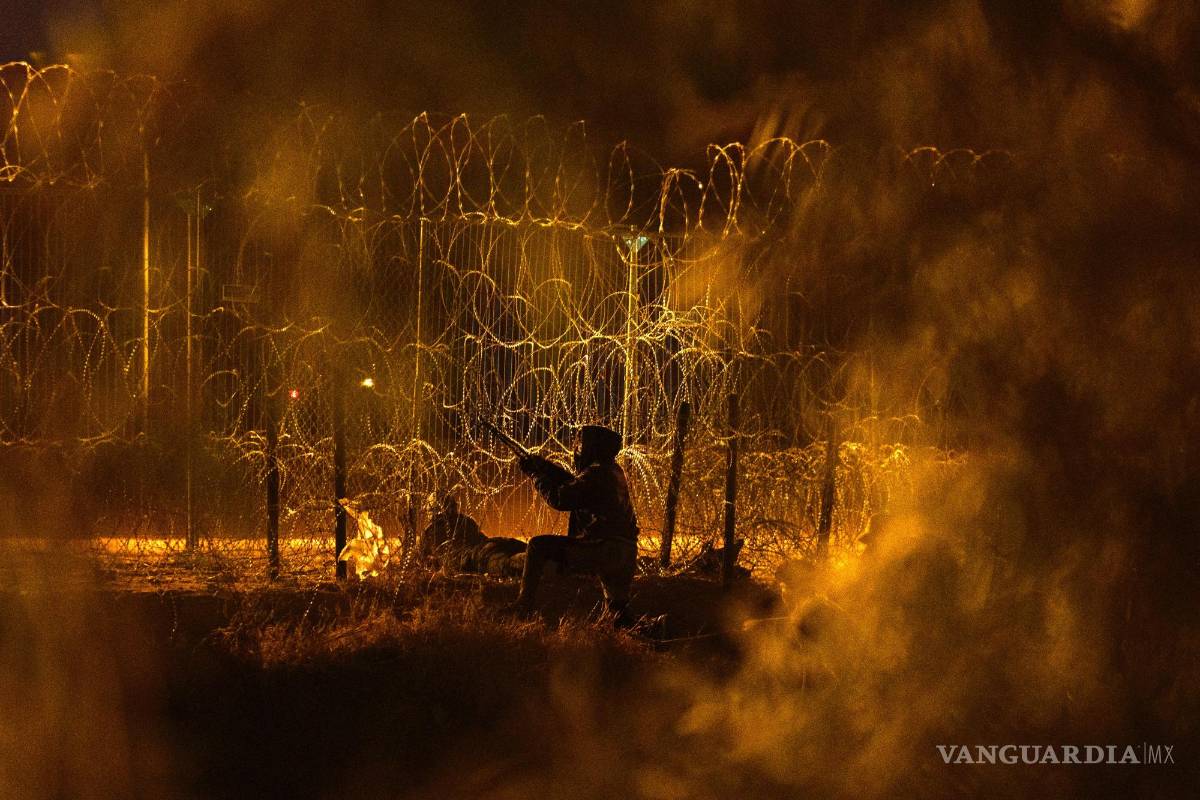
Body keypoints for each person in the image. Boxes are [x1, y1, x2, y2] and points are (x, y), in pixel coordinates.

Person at [508, 425, 640, 622]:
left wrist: (536, 476)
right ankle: (653, 631)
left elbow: (560, 499)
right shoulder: (612, 470)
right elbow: (575, 484)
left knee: (538, 545)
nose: (576, 450)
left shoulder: (595, 474)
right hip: (625, 552)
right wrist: (544, 466)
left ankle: (522, 607)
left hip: (601, 549)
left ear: (592, 448)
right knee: (618, 614)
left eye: (580, 446)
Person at [420, 495, 487, 564]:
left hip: (465, 564)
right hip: (478, 560)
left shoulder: (430, 530)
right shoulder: (467, 521)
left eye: (430, 512)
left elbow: (422, 558)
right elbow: (483, 541)